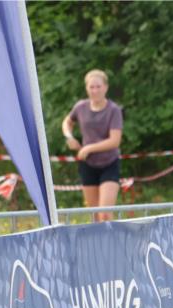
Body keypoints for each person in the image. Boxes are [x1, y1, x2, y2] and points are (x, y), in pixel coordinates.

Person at [62, 69, 123, 222]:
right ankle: (98, 245)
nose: (95, 90)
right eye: (91, 87)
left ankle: (111, 243)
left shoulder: (113, 110)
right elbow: (67, 122)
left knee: (105, 214)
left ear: (106, 88)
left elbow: (114, 141)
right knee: (95, 215)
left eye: (98, 86)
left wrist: (88, 148)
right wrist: (69, 136)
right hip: (88, 164)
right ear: (87, 88)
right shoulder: (81, 107)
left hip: (109, 163)